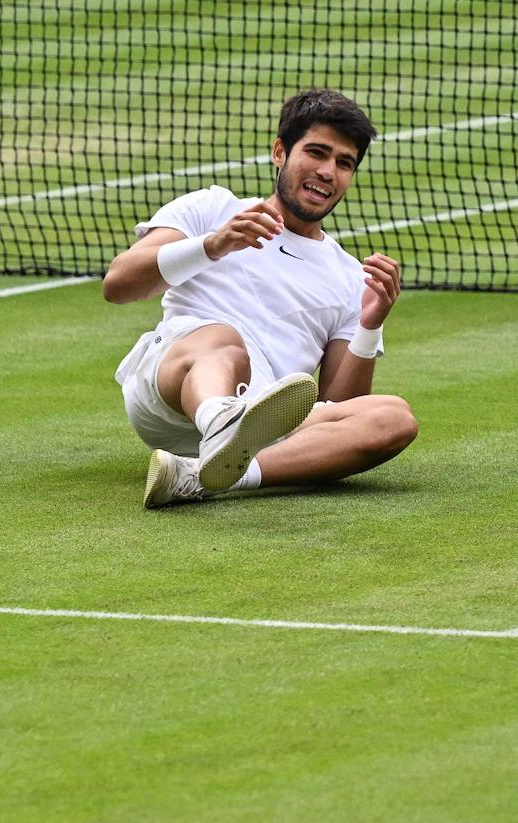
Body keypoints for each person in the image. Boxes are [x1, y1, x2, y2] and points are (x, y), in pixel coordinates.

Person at [104, 88, 417, 508]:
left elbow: (338, 405)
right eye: (317, 153)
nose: (329, 172)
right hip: (172, 389)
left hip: (268, 421)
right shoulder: (214, 208)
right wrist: (212, 246)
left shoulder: (348, 277)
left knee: (394, 417)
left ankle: (208, 476)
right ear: (279, 152)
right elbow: (118, 284)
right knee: (224, 339)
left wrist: (370, 324)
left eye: (344, 163)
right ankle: (223, 424)